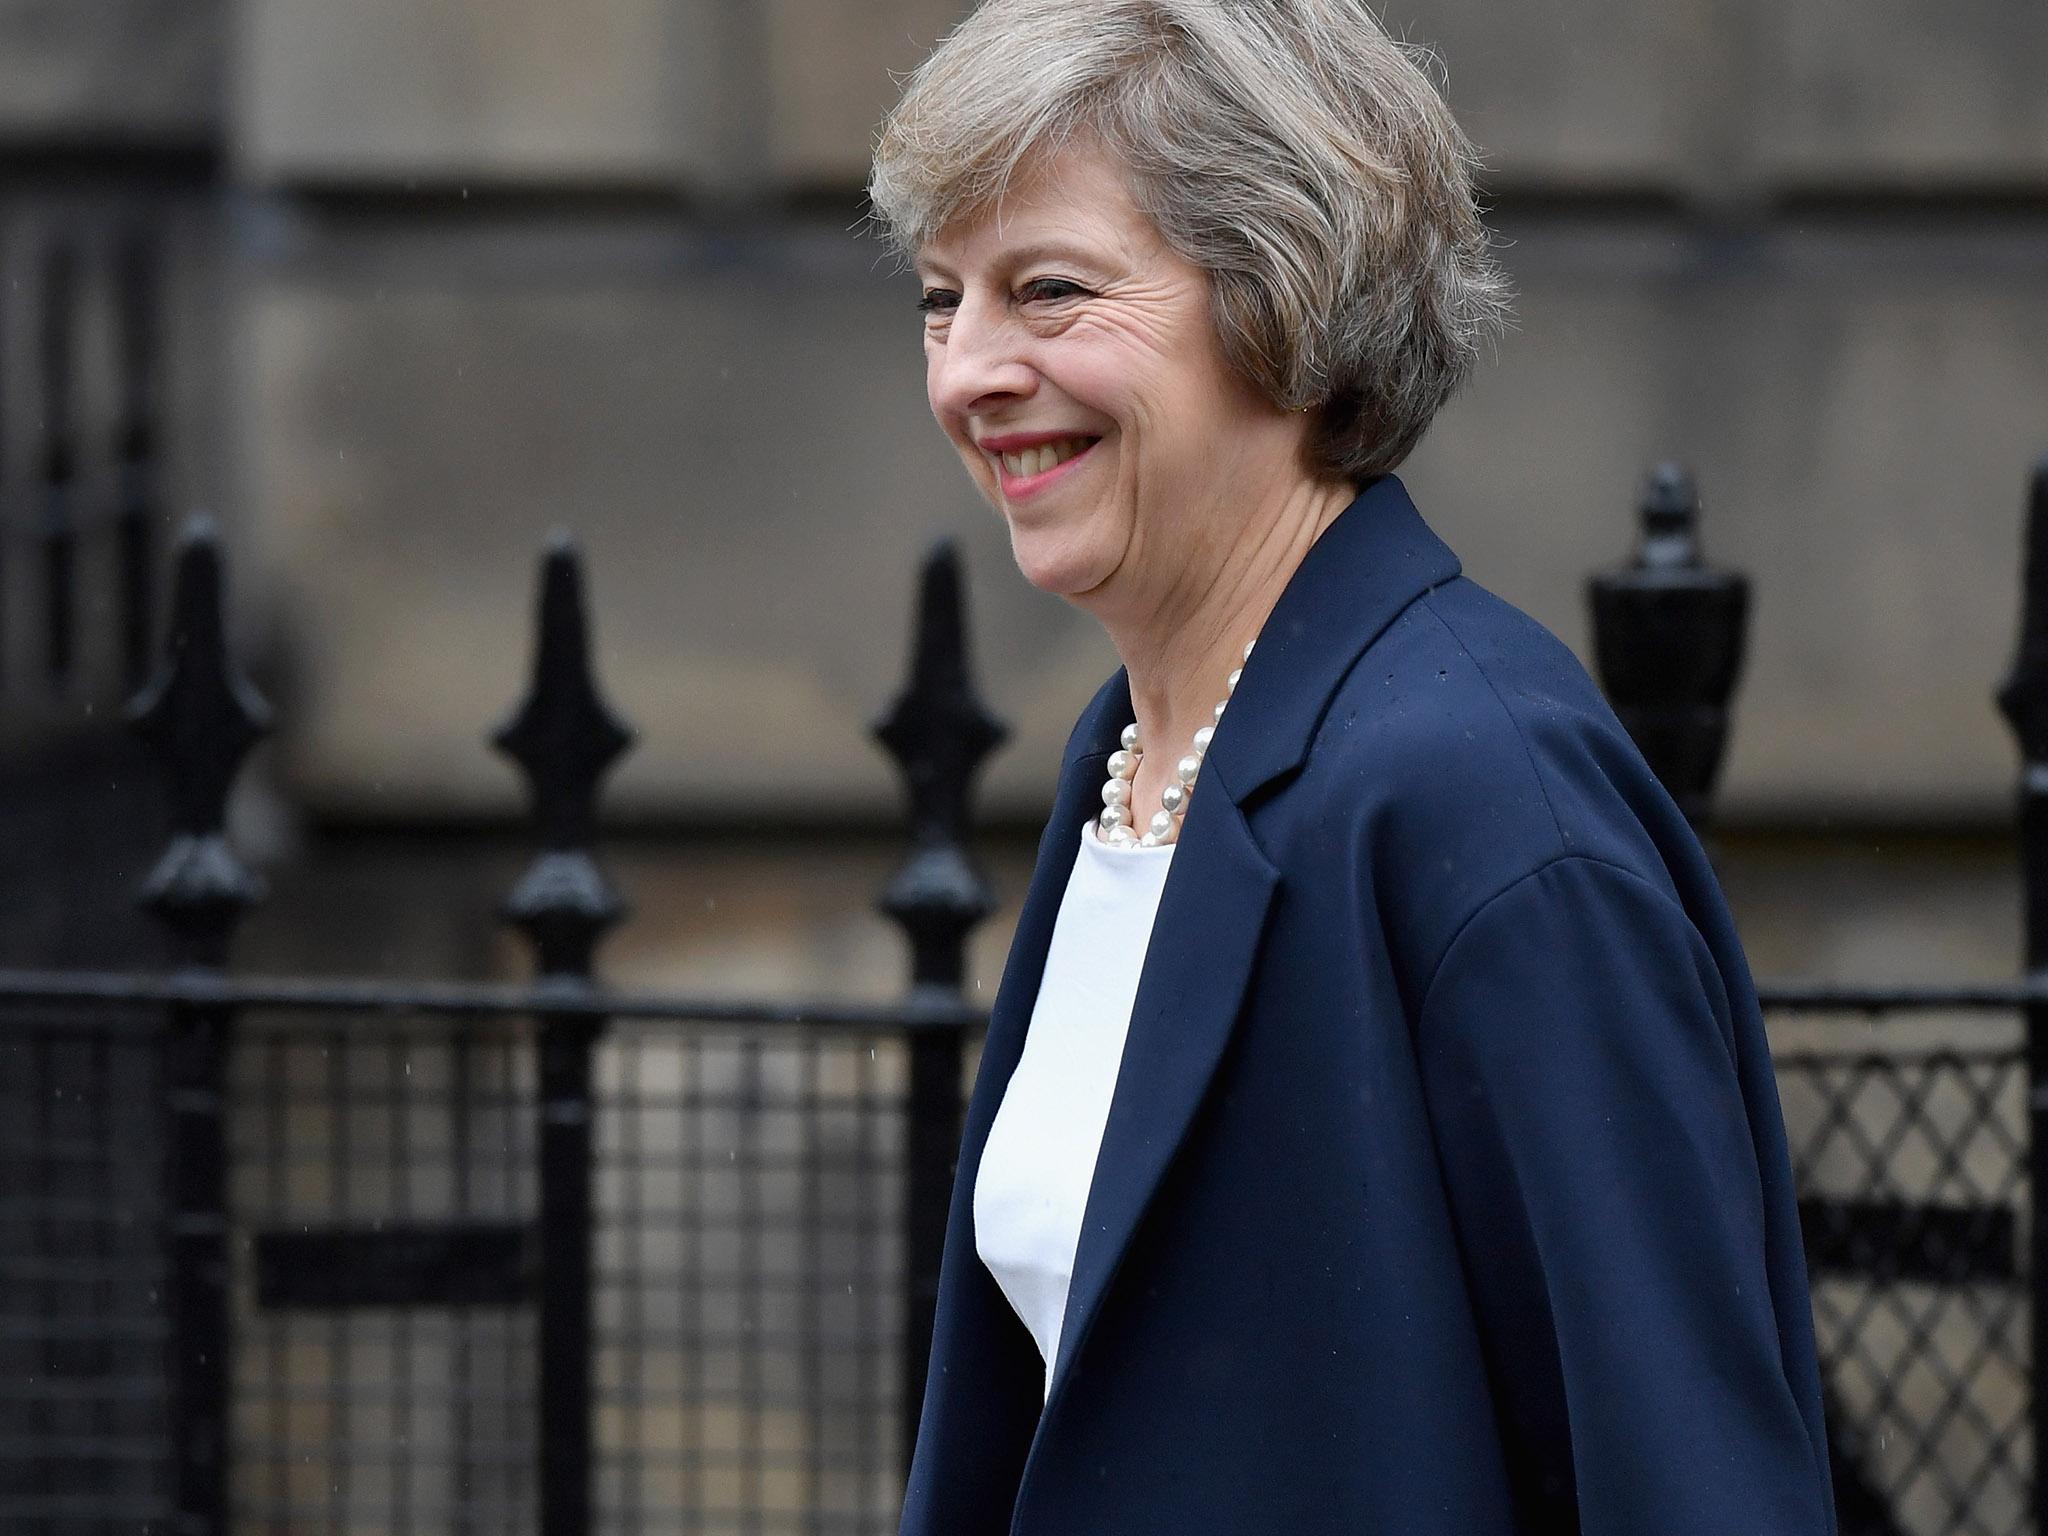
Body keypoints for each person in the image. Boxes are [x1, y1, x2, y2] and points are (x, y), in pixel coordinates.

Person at [867, 1, 1836, 1532]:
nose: (968, 374)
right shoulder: (1128, 760)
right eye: (941, 298)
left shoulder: (1483, 794)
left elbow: (1684, 1479)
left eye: (1048, 291)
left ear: (1281, 298)